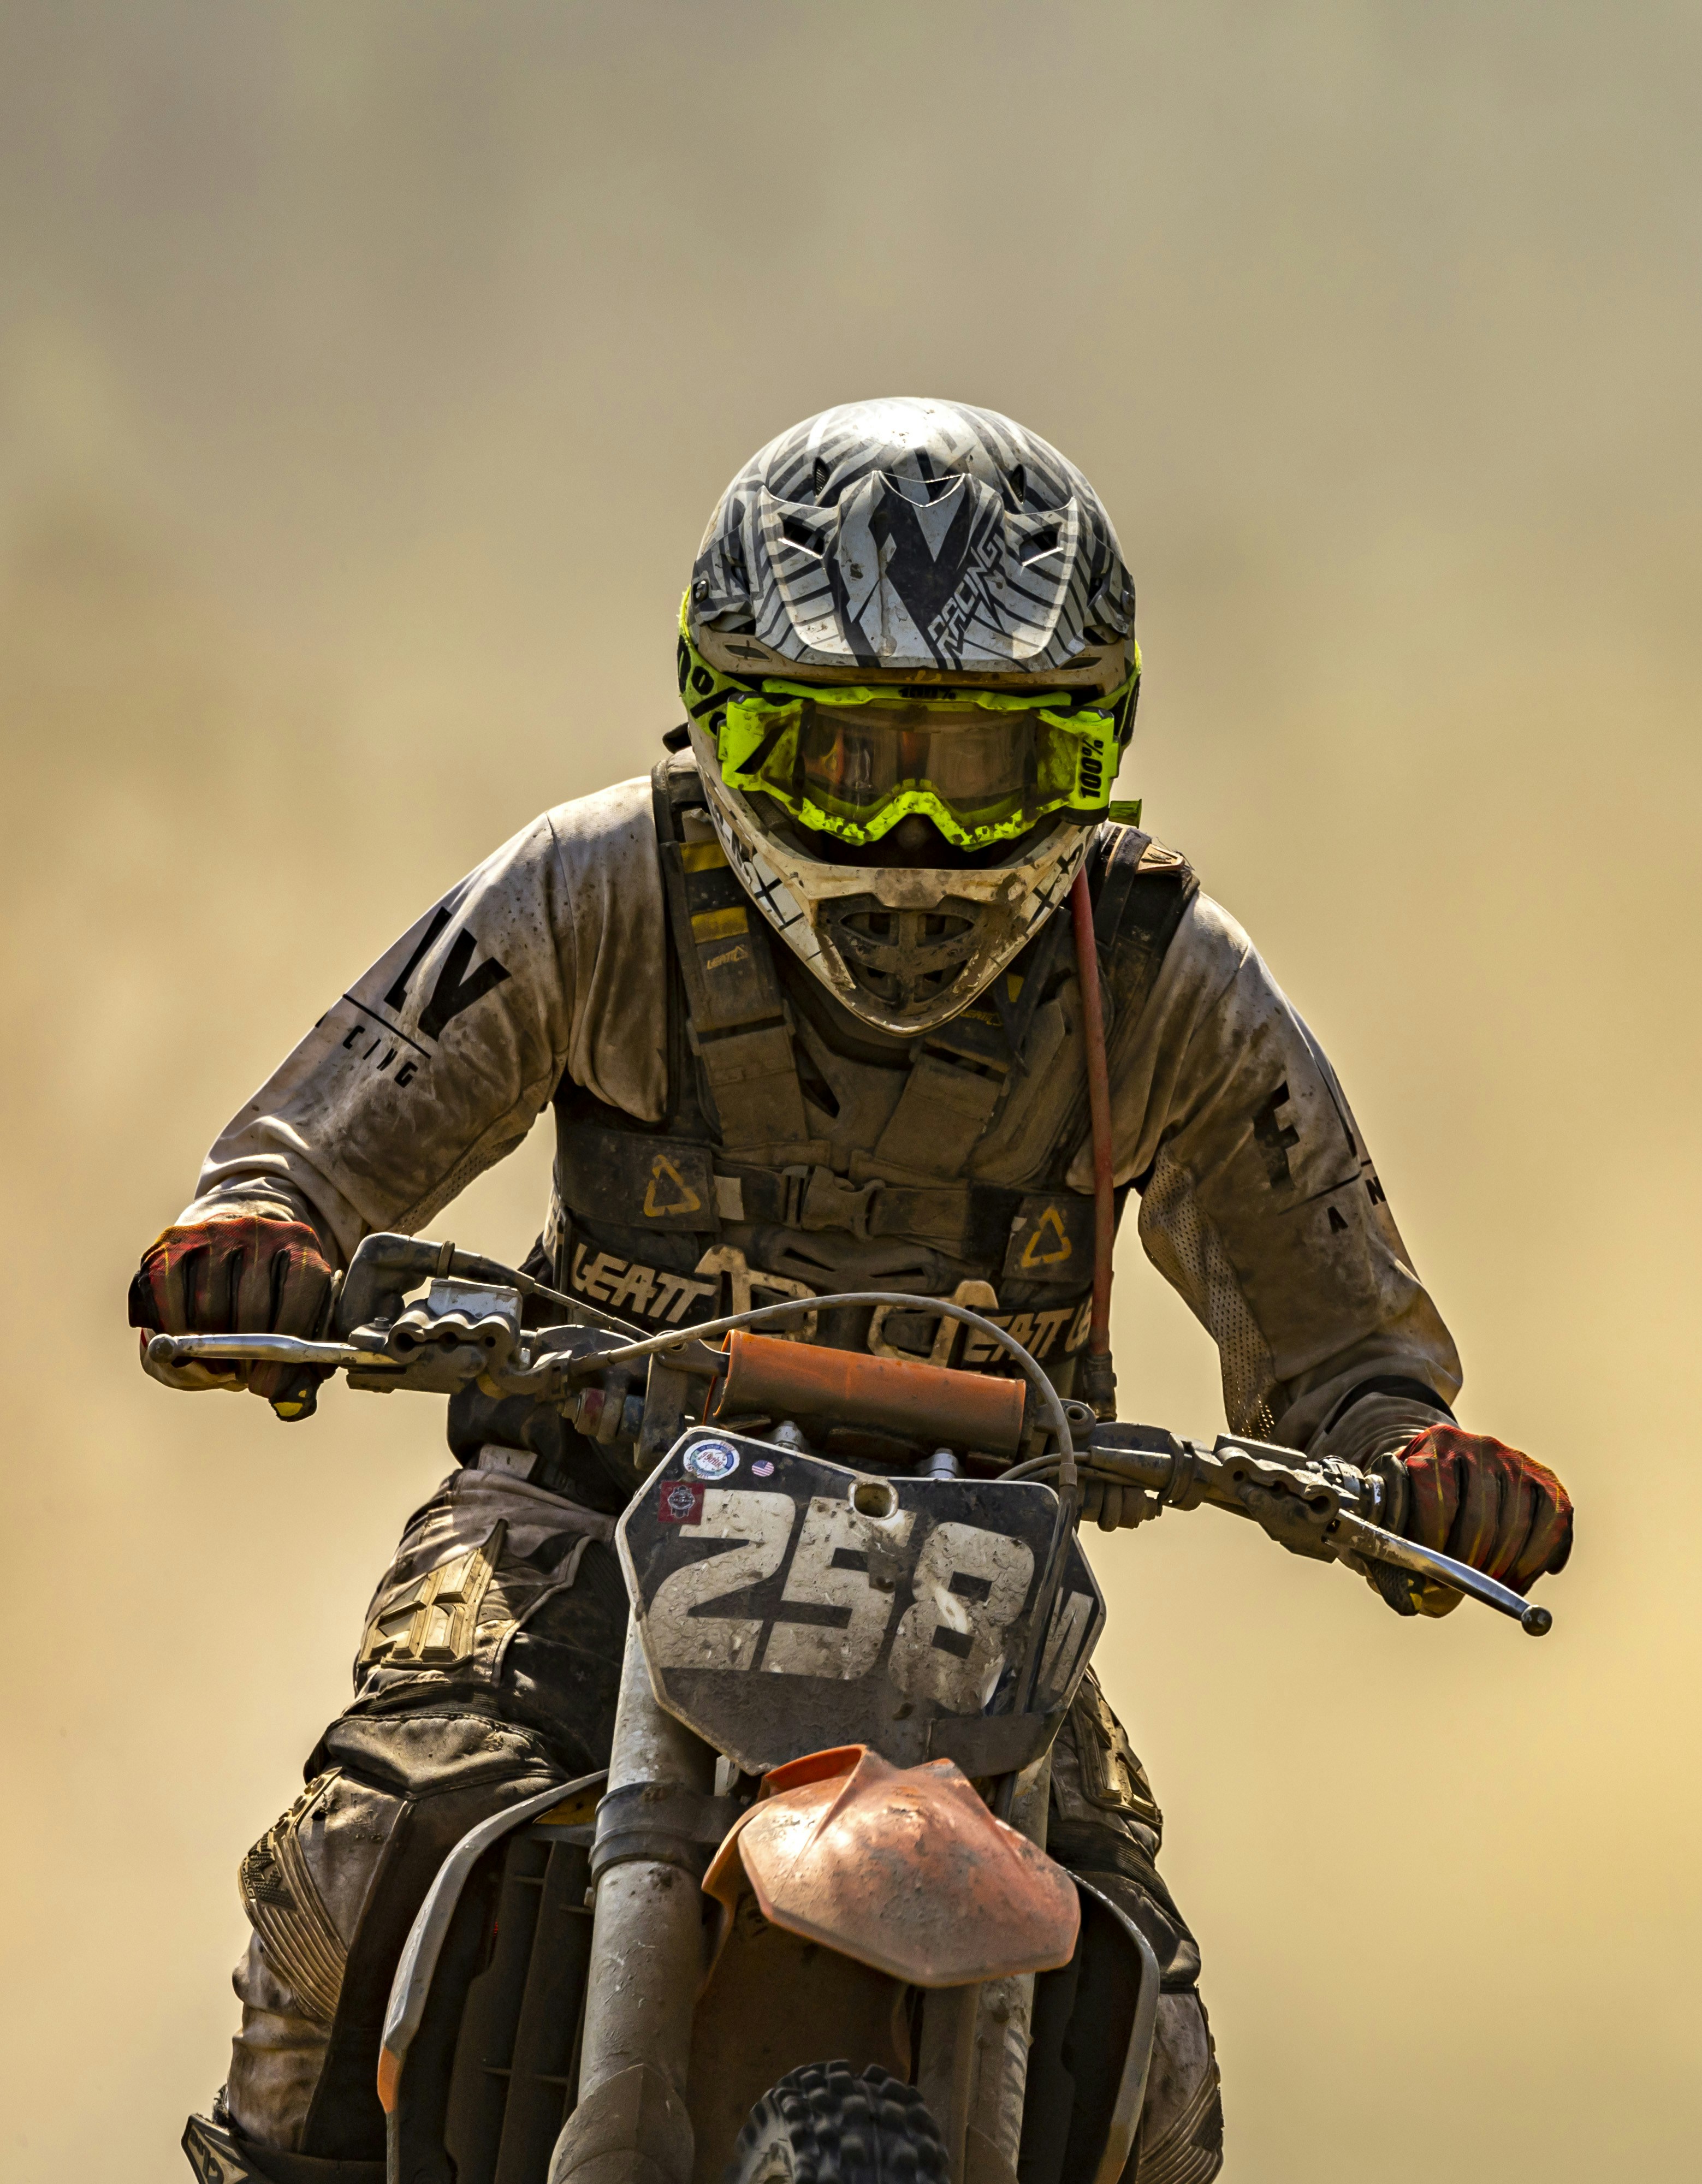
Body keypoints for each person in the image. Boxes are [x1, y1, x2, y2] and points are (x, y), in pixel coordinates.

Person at [133, 398, 1572, 2184]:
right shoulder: (602, 885)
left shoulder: (1167, 979)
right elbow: (304, 1156)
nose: (909, 834)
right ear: (722, 726)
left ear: (1092, 754)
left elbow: (1348, 1349)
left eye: (980, 773)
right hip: (581, 1502)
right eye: (846, 758)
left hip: (979, 1565)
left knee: (1150, 2042)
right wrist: (259, 1236)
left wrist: (1416, 1454)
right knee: (368, 1858)